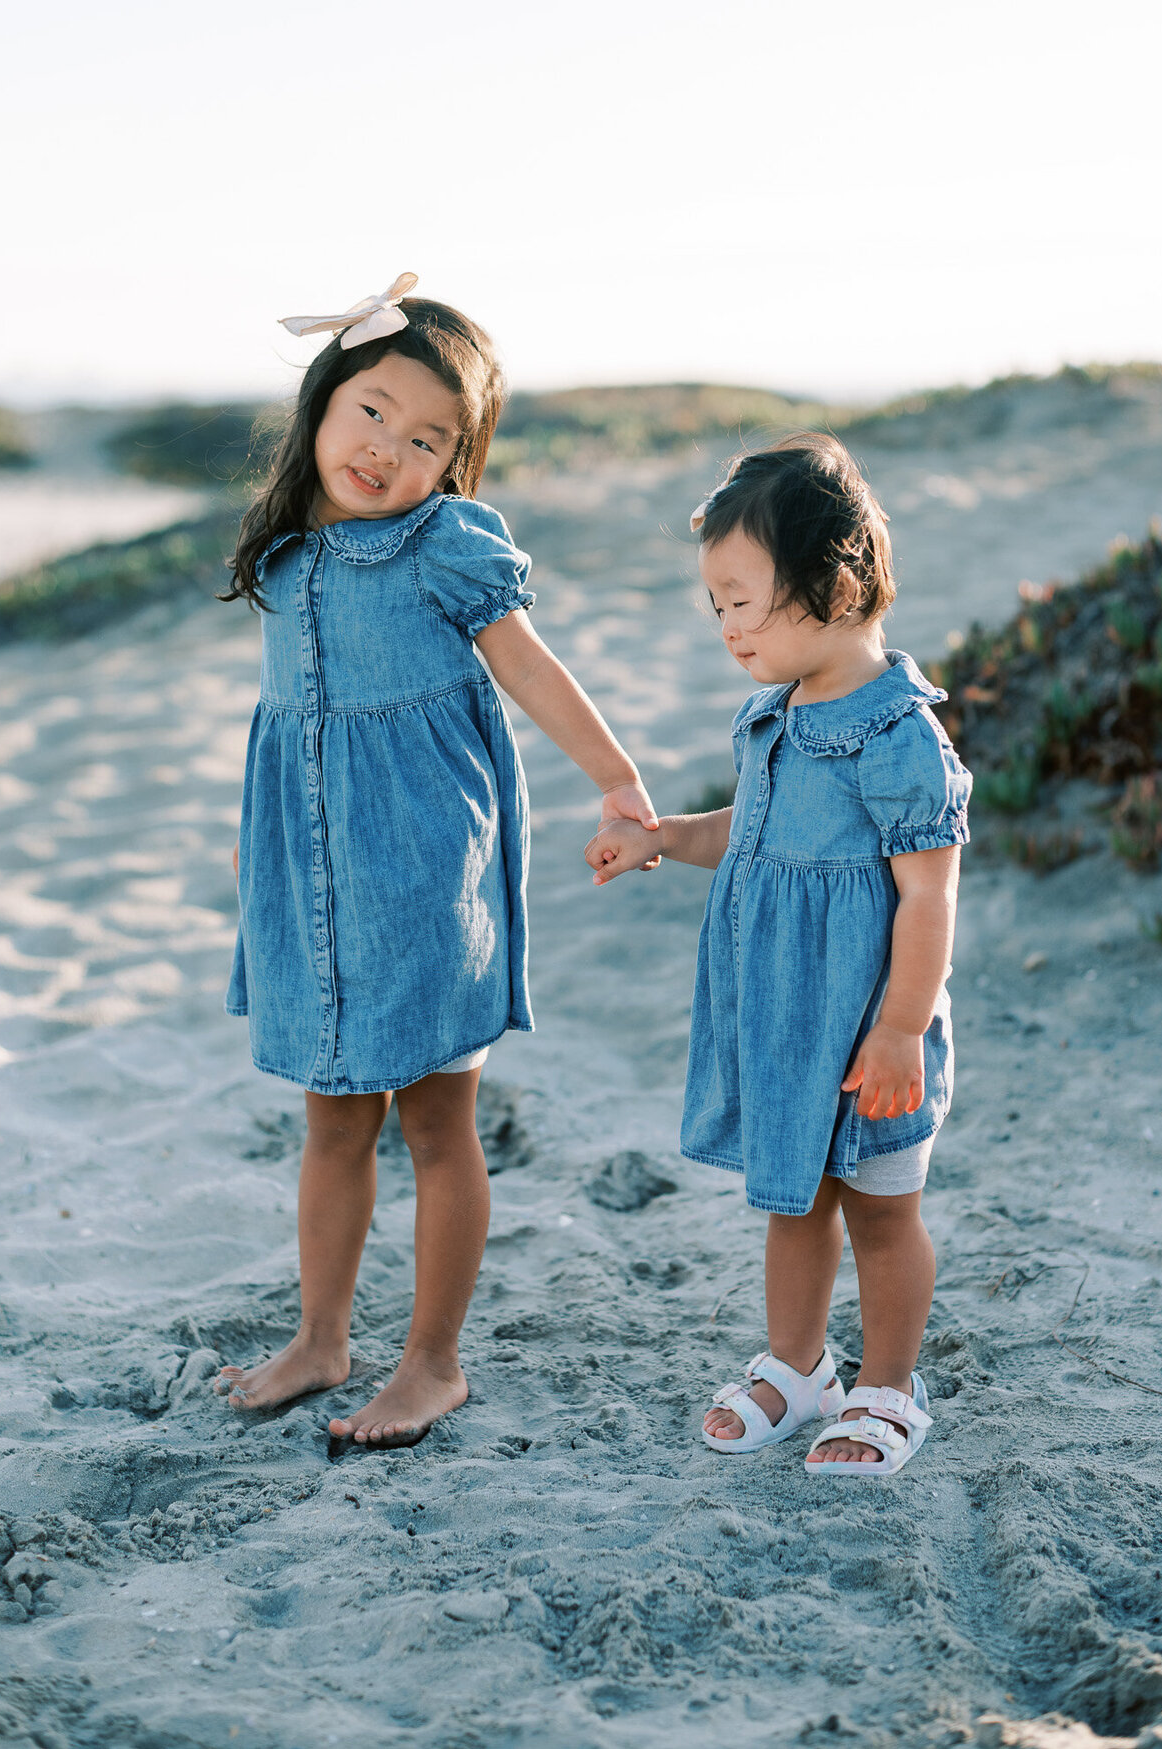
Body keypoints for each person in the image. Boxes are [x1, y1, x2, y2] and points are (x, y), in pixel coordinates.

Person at [216, 275, 657, 1449]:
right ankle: (322, 1339)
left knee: (435, 1121)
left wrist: (614, 777)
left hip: (419, 862)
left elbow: (530, 668)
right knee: (331, 1119)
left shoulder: (443, 545)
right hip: (308, 873)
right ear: (324, 398)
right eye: (371, 411)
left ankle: (432, 1362)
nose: (386, 449)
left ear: (455, 465)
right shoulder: (289, 551)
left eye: (427, 440)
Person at [584, 435, 970, 1474]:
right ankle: (800, 1368)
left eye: (740, 600)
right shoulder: (774, 717)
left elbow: (928, 891)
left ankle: (888, 1387)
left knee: (884, 1217)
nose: (724, 627)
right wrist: (666, 837)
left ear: (832, 586)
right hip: (786, 1024)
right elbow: (745, 833)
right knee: (791, 1202)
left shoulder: (897, 738)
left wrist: (899, 1029)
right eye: (715, 604)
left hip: (871, 1027)